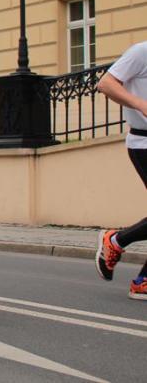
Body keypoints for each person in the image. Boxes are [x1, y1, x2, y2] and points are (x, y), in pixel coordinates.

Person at [94, 40, 147, 300]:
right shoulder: (142, 52)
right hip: (144, 143)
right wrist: (140, 104)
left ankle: (142, 279)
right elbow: (106, 83)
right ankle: (116, 241)